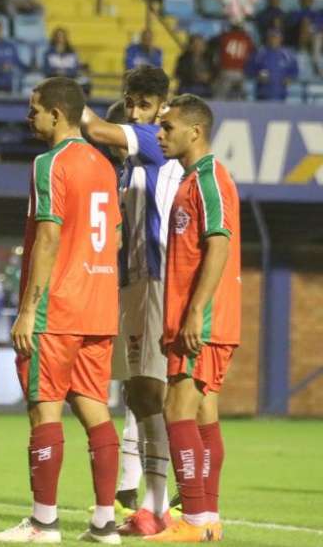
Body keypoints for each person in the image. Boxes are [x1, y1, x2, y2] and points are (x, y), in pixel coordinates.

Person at [0, 77, 123, 545]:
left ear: (57, 114)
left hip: (57, 309)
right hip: (98, 306)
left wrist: (28, 310)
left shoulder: (50, 163)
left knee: (43, 411)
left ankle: (44, 522)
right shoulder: (104, 164)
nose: (29, 119)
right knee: (95, 409)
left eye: (34, 110)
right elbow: (115, 236)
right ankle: (105, 523)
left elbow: (48, 236)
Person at [79, 67, 186, 536]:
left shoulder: (151, 140)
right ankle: (153, 502)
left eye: (145, 104)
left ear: (162, 107)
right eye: (131, 102)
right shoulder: (129, 167)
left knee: (155, 393)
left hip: (158, 280)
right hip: (135, 282)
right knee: (139, 393)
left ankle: (163, 503)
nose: (136, 111)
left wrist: (66, 99)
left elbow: (95, 128)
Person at [145, 94, 240, 543]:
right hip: (198, 318)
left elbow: (219, 243)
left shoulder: (209, 179)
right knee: (203, 414)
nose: (159, 134)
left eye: (167, 127)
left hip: (202, 319)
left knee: (176, 410)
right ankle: (209, 518)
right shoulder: (192, 180)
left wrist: (195, 311)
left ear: (195, 131)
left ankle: (194, 519)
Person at [245, 28, 298, 101]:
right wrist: (258, 76)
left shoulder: (287, 55)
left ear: (281, 39)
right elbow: (249, 70)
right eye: (272, 37)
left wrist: (289, 78)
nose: (274, 40)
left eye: (276, 37)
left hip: (281, 96)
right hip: (262, 96)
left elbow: (294, 71)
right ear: (268, 38)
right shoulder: (260, 53)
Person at [211, 22, 254, 99]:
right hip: (240, 71)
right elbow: (252, 51)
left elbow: (213, 44)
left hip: (226, 70)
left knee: (220, 96)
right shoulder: (246, 38)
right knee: (242, 97)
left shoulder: (225, 36)